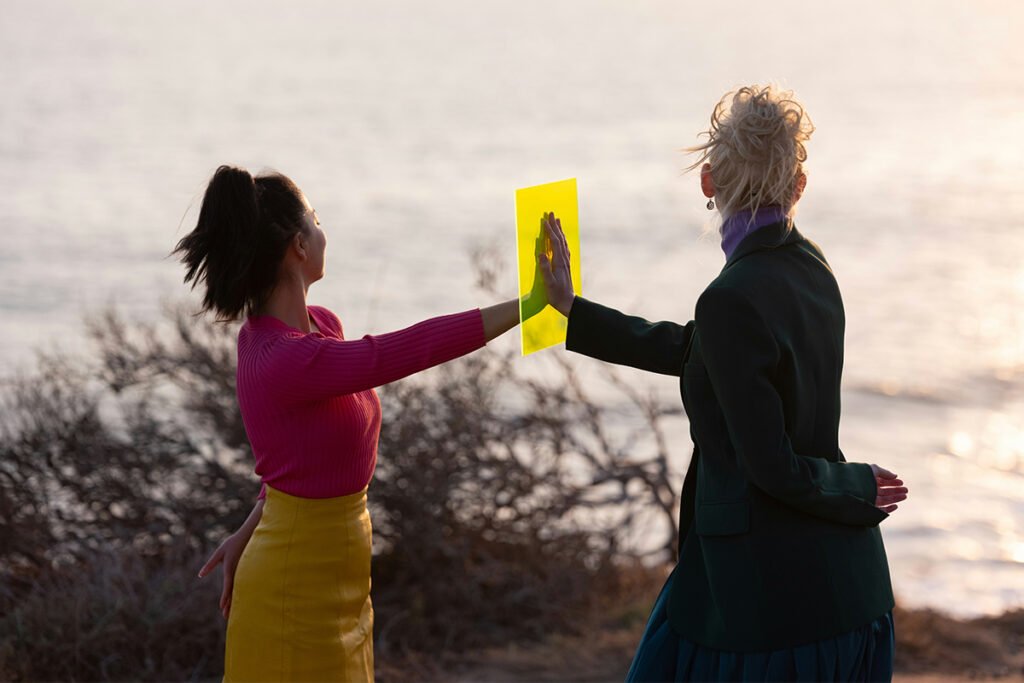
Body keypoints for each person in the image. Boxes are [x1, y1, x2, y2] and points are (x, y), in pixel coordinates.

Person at [535, 85, 909, 682]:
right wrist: (574, 312)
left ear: (708, 182)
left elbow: (773, 467)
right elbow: (705, 352)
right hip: (851, 595)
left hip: (760, 607)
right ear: (800, 187)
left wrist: (855, 482)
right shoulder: (813, 266)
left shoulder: (731, 297)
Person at [175, 165, 545, 682]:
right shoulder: (281, 357)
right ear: (298, 246)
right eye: (317, 219)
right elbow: (402, 351)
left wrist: (247, 526)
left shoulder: (322, 327)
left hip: (345, 577)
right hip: (290, 583)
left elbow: (297, 456)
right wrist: (530, 305)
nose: (324, 230)